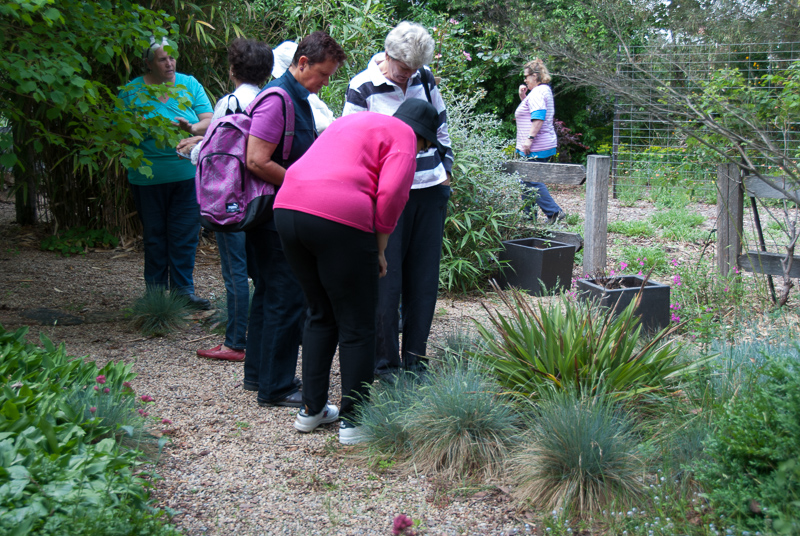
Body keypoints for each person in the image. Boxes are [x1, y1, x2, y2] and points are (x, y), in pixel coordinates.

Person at [275, 99, 442, 444]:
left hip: (288, 209)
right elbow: (393, 193)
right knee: (358, 324)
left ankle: (312, 410)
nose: (421, 150)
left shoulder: (356, 122)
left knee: (320, 313)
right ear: (423, 136)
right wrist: (380, 247)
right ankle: (354, 421)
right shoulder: (406, 137)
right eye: (426, 145)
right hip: (340, 218)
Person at [343, 21, 454, 381]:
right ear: (388, 56)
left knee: (424, 280)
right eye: (403, 69)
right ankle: (386, 364)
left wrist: (446, 166)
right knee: (386, 282)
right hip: (388, 197)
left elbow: (440, 123)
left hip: (430, 188)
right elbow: (352, 145)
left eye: (414, 70)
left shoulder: (425, 77)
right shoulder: (362, 87)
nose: (408, 77)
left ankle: (415, 361)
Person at [243, 32, 346, 407]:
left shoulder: (299, 96)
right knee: (286, 298)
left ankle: (258, 375)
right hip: (273, 218)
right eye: (322, 74)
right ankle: (277, 386)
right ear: (302, 63)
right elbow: (256, 159)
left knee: (270, 294)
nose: (325, 82)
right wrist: (301, 183)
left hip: (279, 214)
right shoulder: (278, 99)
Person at [176, 39, 274, 362]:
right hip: (262, 198)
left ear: (232, 70)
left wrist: (192, 149)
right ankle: (264, 334)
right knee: (261, 271)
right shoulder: (271, 100)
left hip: (231, 198)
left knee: (235, 271)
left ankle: (236, 342)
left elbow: (216, 153)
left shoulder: (228, 103)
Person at [119, 36, 213, 309]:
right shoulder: (131, 91)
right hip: (147, 177)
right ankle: (156, 296)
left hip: (185, 174)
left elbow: (210, 121)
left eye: (172, 57)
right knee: (155, 235)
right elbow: (120, 134)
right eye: (162, 59)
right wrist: (136, 127)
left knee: (184, 234)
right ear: (148, 64)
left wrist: (191, 129)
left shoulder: (189, 84)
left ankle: (184, 292)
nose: (170, 63)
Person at [515, 58, 566, 224]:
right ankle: (529, 217)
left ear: (535, 76)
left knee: (531, 179)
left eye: (527, 76)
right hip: (541, 144)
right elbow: (531, 109)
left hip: (536, 146)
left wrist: (529, 140)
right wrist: (523, 96)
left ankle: (554, 212)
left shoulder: (537, 92)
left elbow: (538, 117)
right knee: (526, 179)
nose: (525, 79)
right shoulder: (541, 91)